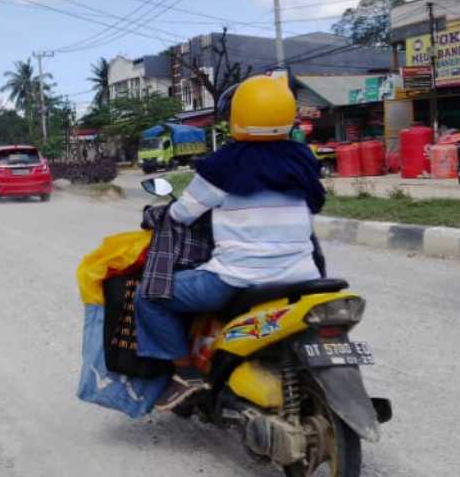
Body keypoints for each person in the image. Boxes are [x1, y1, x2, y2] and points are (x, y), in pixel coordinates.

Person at [135, 75, 326, 411]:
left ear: (236, 116)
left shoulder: (222, 164)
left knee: (148, 296)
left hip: (236, 279)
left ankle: (186, 374)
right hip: (304, 277)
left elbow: (181, 214)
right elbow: (315, 204)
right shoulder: (303, 158)